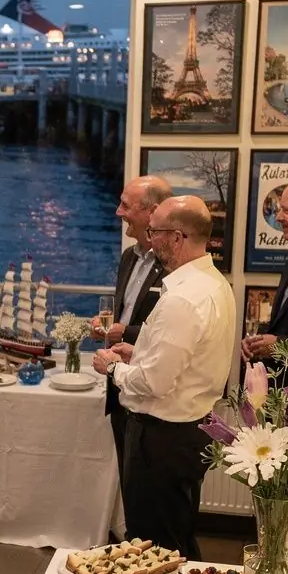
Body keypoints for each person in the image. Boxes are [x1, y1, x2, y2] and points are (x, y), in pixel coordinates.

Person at [93, 195, 236, 560]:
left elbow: (155, 384)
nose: (149, 238)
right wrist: (135, 354)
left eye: (155, 232)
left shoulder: (182, 299)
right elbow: (183, 361)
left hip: (161, 441)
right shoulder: (216, 284)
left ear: (176, 237)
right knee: (178, 534)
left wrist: (112, 365)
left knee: (155, 548)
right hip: (191, 431)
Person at [92, 176, 172, 485]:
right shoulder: (129, 257)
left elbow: (170, 333)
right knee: (130, 485)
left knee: (151, 492)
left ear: (152, 213)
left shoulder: (172, 266)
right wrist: (106, 328)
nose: (118, 212)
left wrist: (124, 332)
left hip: (150, 396)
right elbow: (123, 314)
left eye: (126, 205)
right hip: (120, 388)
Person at [242, 182, 288, 363]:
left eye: (286, 211)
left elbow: (281, 342)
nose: (278, 217)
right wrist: (259, 342)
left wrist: (278, 346)